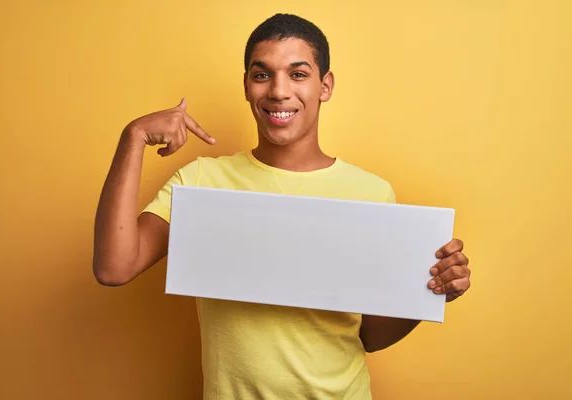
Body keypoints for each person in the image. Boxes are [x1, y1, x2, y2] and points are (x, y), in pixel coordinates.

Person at [93, 13, 471, 400]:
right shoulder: (202, 182)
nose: (278, 91)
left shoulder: (371, 193)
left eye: (298, 74)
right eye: (262, 75)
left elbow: (369, 336)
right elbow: (114, 267)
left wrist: (431, 291)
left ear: (325, 86)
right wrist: (133, 137)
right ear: (246, 86)